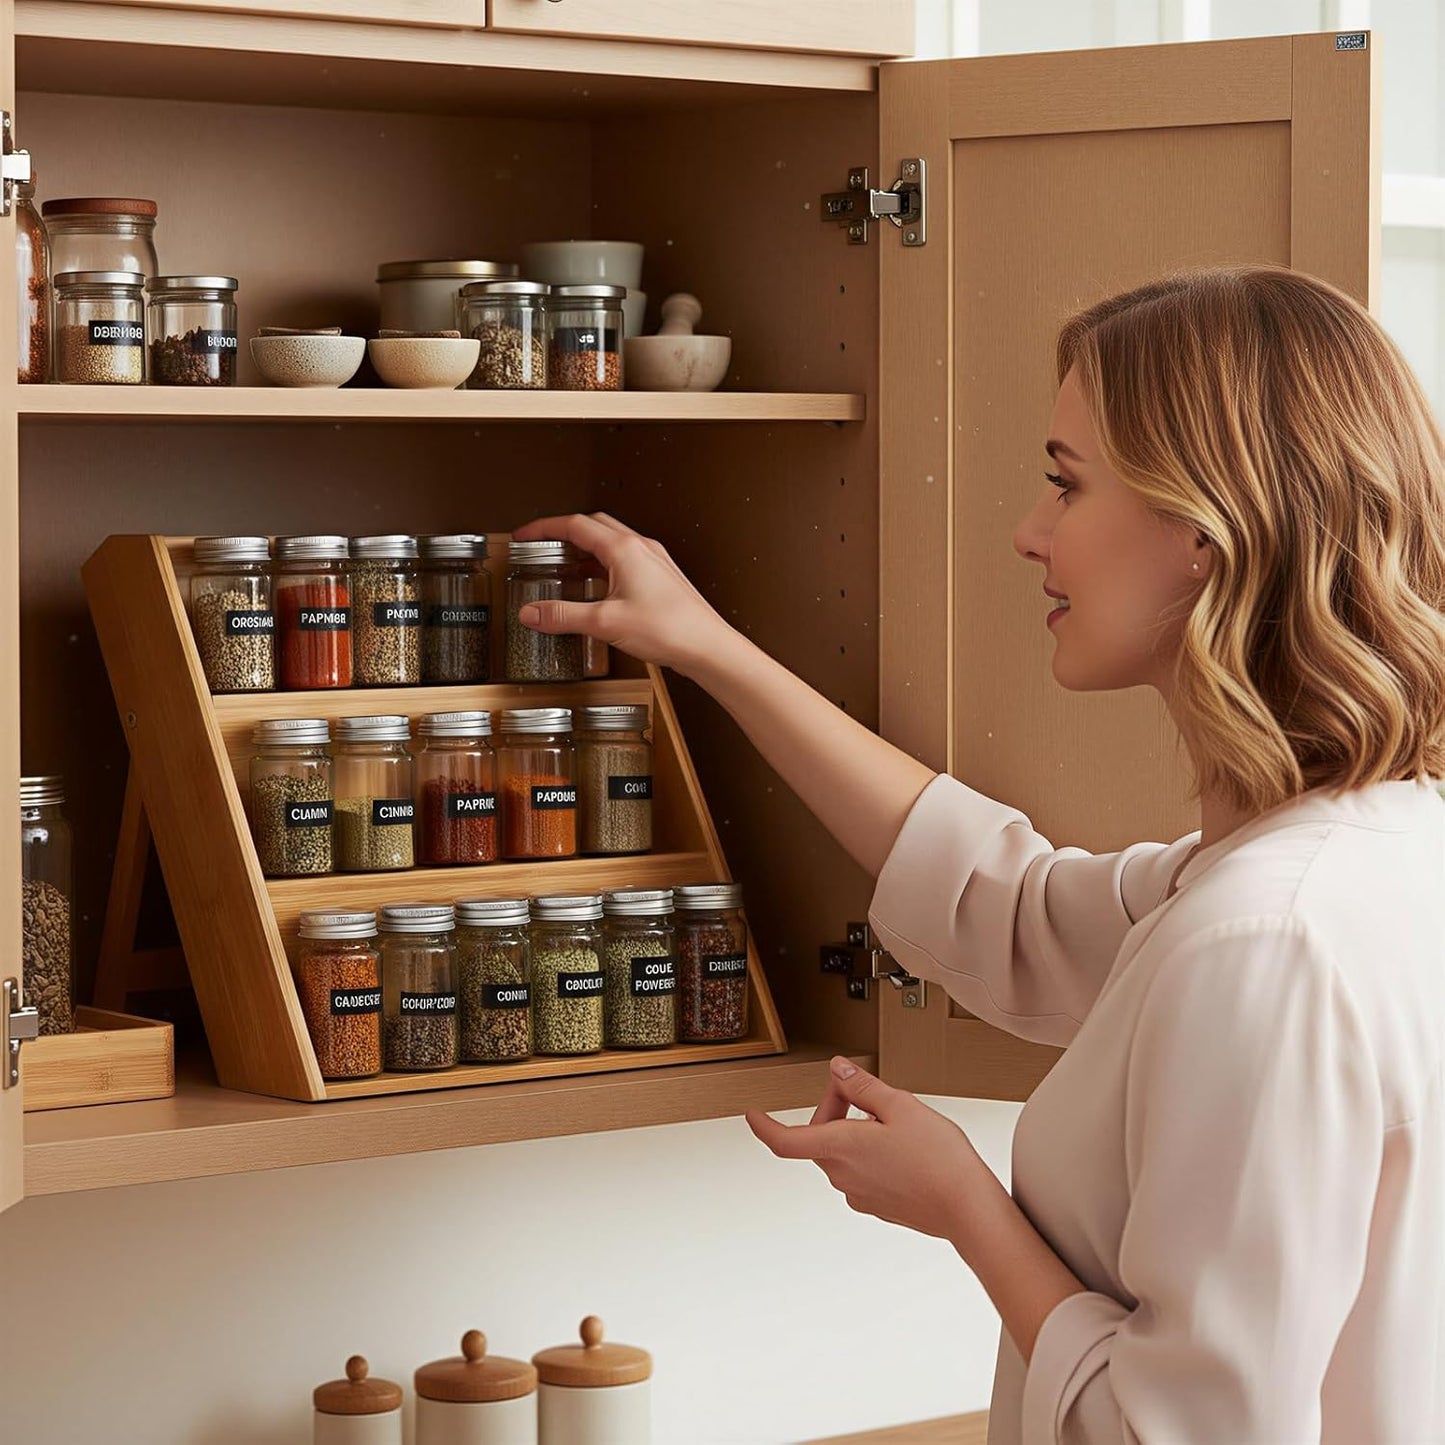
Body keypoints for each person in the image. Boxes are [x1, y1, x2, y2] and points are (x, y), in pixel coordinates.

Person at [513, 266, 1445, 1443]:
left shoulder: (1267, 938)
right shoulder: (1367, 849)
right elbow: (1007, 904)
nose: (1027, 530)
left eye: (1065, 485)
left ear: (1201, 532)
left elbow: (1183, 1431)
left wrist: (963, 1203)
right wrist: (705, 647)